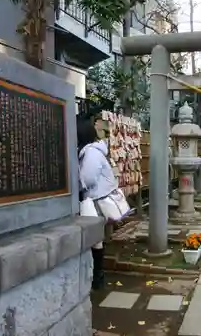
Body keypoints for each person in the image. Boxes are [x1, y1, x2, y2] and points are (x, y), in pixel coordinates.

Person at [77, 117, 118, 290]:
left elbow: (88, 178)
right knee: (97, 239)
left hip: (94, 199)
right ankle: (97, 277)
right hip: (95, 199)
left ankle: (98, 277)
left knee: (95, 240)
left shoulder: (91, 153)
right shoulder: (92, 151)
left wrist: (74, 185)